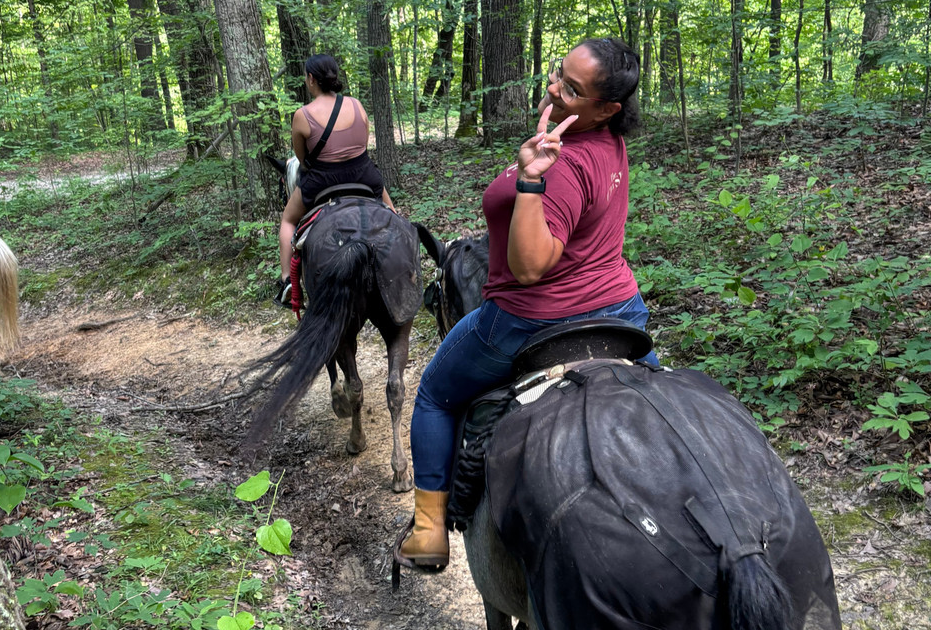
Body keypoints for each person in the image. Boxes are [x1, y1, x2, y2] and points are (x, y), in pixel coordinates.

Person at [396, 36, 660, 570]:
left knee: (435, 396)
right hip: (619, 310)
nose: (554, 88)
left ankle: (428, 532)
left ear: (608, 108)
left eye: (572, 89)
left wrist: (532, 180)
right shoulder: (606, 140)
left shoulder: (562, 166)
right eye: (558, 74)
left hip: (529, 317)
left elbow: (530, 266)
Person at [275, 54, 395, 305]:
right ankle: (404, 253)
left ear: (311, 79)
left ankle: (287, 282)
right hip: (363, 174)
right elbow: (363, 144)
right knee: (393, 215)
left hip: (323, 179)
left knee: (288, 219)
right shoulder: (356, 105)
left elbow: (302, 158)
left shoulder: (302, 115)